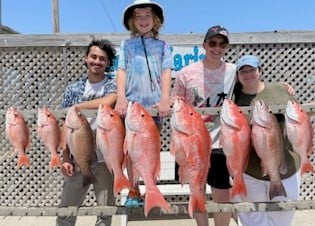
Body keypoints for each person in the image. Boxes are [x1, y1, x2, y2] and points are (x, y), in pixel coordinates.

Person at [171, 25, 236, 226]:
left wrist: (283, 87)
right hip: (191, 141)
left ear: (226, 47)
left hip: (221, 142)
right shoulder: (186, 73)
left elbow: (255, 84)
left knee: (222, 194)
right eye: (213, 43)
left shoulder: (234, 70)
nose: (217, 48)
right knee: (196, 190)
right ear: (204, 45)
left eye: (222, 44)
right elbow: (176, 100)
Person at [114, 0, 172, 207]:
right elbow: (121, 70)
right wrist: (121, 97)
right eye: (138, 16)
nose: (143, 20)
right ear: (132, 21)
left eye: (148, 15)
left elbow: (166, 72)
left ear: (155, 20)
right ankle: (133, 189)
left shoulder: (164, 46)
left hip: (154, 109)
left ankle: (151, 189)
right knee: (130, 150)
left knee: (150, 150)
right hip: (131, 108)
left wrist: (165, 98)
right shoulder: (126, 45)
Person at [233, 55, 301, 226]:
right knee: (254, 220)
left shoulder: (281, 89)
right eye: (243, 71)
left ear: (260, 71)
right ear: (237, 76)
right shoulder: (234, 98)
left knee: (283, 218)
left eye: (252, 70)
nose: (248, 74)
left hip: (287, 169)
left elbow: (300, 115)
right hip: (251, 172)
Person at [56, 39, 117, 226]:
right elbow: (64, 125)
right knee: (66, 211)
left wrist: (78, 106)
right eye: (94, 57)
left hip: (105, 161)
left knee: (105, 212)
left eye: (102, 58)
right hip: (78, 159)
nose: (97, 61)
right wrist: (65, 157)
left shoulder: (114, 86)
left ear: (108, 63)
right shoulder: (72, 89)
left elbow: (110, 101)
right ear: (86, 58)